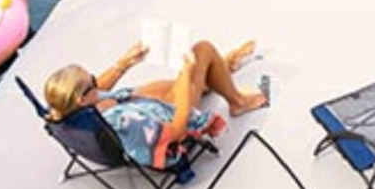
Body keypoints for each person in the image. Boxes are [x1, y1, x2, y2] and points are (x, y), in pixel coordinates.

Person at [44, 39, 268, 170]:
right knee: (202, 50)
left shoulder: (63, 110)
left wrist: (123, 64)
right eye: (92, 81)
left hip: (138, 105)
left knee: (187, 76)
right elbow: (177, 132)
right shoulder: (125, 123)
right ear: (82, 98)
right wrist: (185, 84)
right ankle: (238, 100)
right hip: (167, 120)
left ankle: (218, 68)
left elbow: (96, 88)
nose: (97, 81)